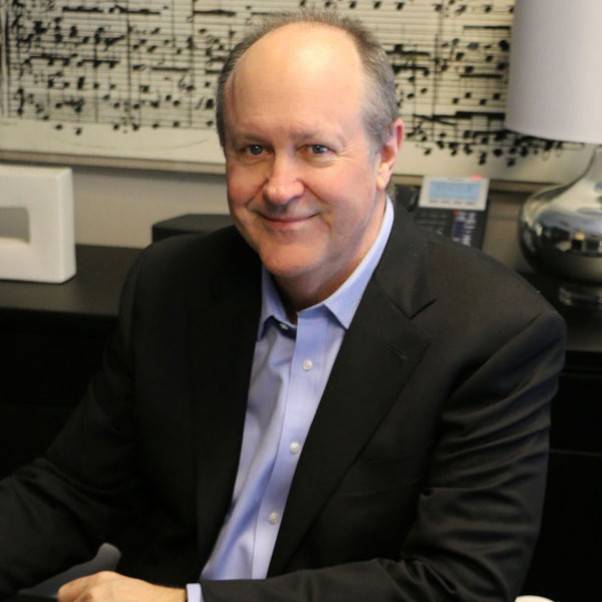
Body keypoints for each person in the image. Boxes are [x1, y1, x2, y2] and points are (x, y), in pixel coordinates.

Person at [0, 9, 565, 602]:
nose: (278, 187)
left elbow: (456, 583)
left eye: (316, 149)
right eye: (253, 148)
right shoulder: (171, 284)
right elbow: (71, 490)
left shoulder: (494, 332)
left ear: (385, 153)